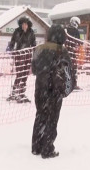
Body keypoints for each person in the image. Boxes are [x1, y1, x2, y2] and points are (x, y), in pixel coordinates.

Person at [31, 24, 75, 159]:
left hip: (40, 90)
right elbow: (69, 73)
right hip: (54, 91)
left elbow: (34, 70)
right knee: (52, 120)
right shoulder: (62, 51)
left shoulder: (38, 49)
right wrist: (67, 89)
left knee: (40, 116)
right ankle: (47, 149)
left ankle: (36, 147)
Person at [6, 16, 36, 103]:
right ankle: (14, 93)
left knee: (25, 74)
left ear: (28, 25)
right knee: (19, 74)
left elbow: (33, 44)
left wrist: (35, 53)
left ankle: (22, 93)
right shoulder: (17, 31)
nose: (24, 26)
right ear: (20, 24)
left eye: (26, 24)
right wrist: (11, 49)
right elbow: (12, 42)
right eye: (23, 24)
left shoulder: (31, 32)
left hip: (28, 55)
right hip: (19, 54)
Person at [65, 16, 82, 90]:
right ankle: (73, 84)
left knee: (66, 68)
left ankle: (66, 84)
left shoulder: (65, 30)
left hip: (64, 52)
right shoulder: (75, 31)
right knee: (74, 68)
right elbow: (79, 41)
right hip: (71, 52)